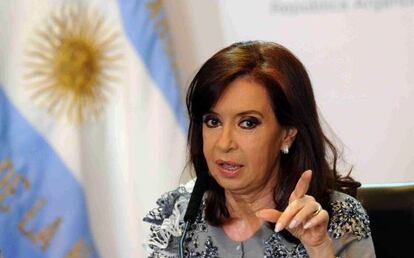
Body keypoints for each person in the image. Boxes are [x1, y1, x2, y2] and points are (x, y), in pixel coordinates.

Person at [143, 41, 375, 258]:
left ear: (287, 134)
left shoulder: (337, 217)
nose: (224, 144)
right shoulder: (176, 216)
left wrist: (319, 249)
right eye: (213, 122)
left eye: (248, 123)